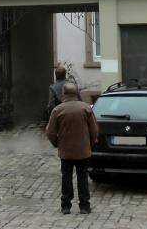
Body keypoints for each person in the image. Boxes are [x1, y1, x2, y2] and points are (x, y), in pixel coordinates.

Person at [45, 82, 99, 215]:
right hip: (83, 150)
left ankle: (66, 206)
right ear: (76, 93)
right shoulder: (85, 108)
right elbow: (94, 130)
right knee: (82, 176)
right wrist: (90, 142)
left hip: (66, 150)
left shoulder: (58, 110)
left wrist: (57, 143)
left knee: (66, 177)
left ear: (63, 94)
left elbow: (50, 132)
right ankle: (84, 206)